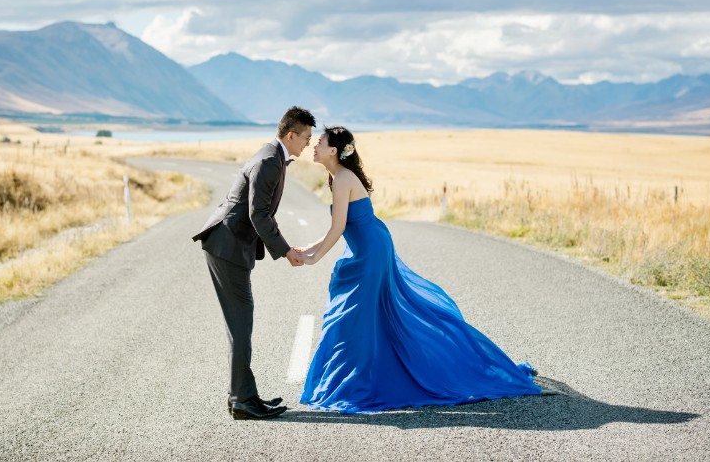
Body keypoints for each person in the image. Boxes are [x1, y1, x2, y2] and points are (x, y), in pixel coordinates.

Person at [296, 126, 542, 413]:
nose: (314, 146)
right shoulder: (337, 177)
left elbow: (338, 228)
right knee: (367, 318)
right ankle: (364, 375)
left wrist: (314, 258)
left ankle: (359, 381)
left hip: (371, 253)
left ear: (334, 151)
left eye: (320, 143)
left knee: (352, 316)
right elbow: (340, 225)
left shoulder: (342, 179)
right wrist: (308, 249)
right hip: (366, 248)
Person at [193, 106, 316, 420]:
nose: (308, 144)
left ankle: (243, 397)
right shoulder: (269, 161)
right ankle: (244, 400)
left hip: (228, 245)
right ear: (291, 134)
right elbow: (258, 214)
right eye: (306, 137)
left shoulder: (272, 156)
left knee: (240, 325)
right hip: (226, 245)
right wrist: (287, 251)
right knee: (241, 324)